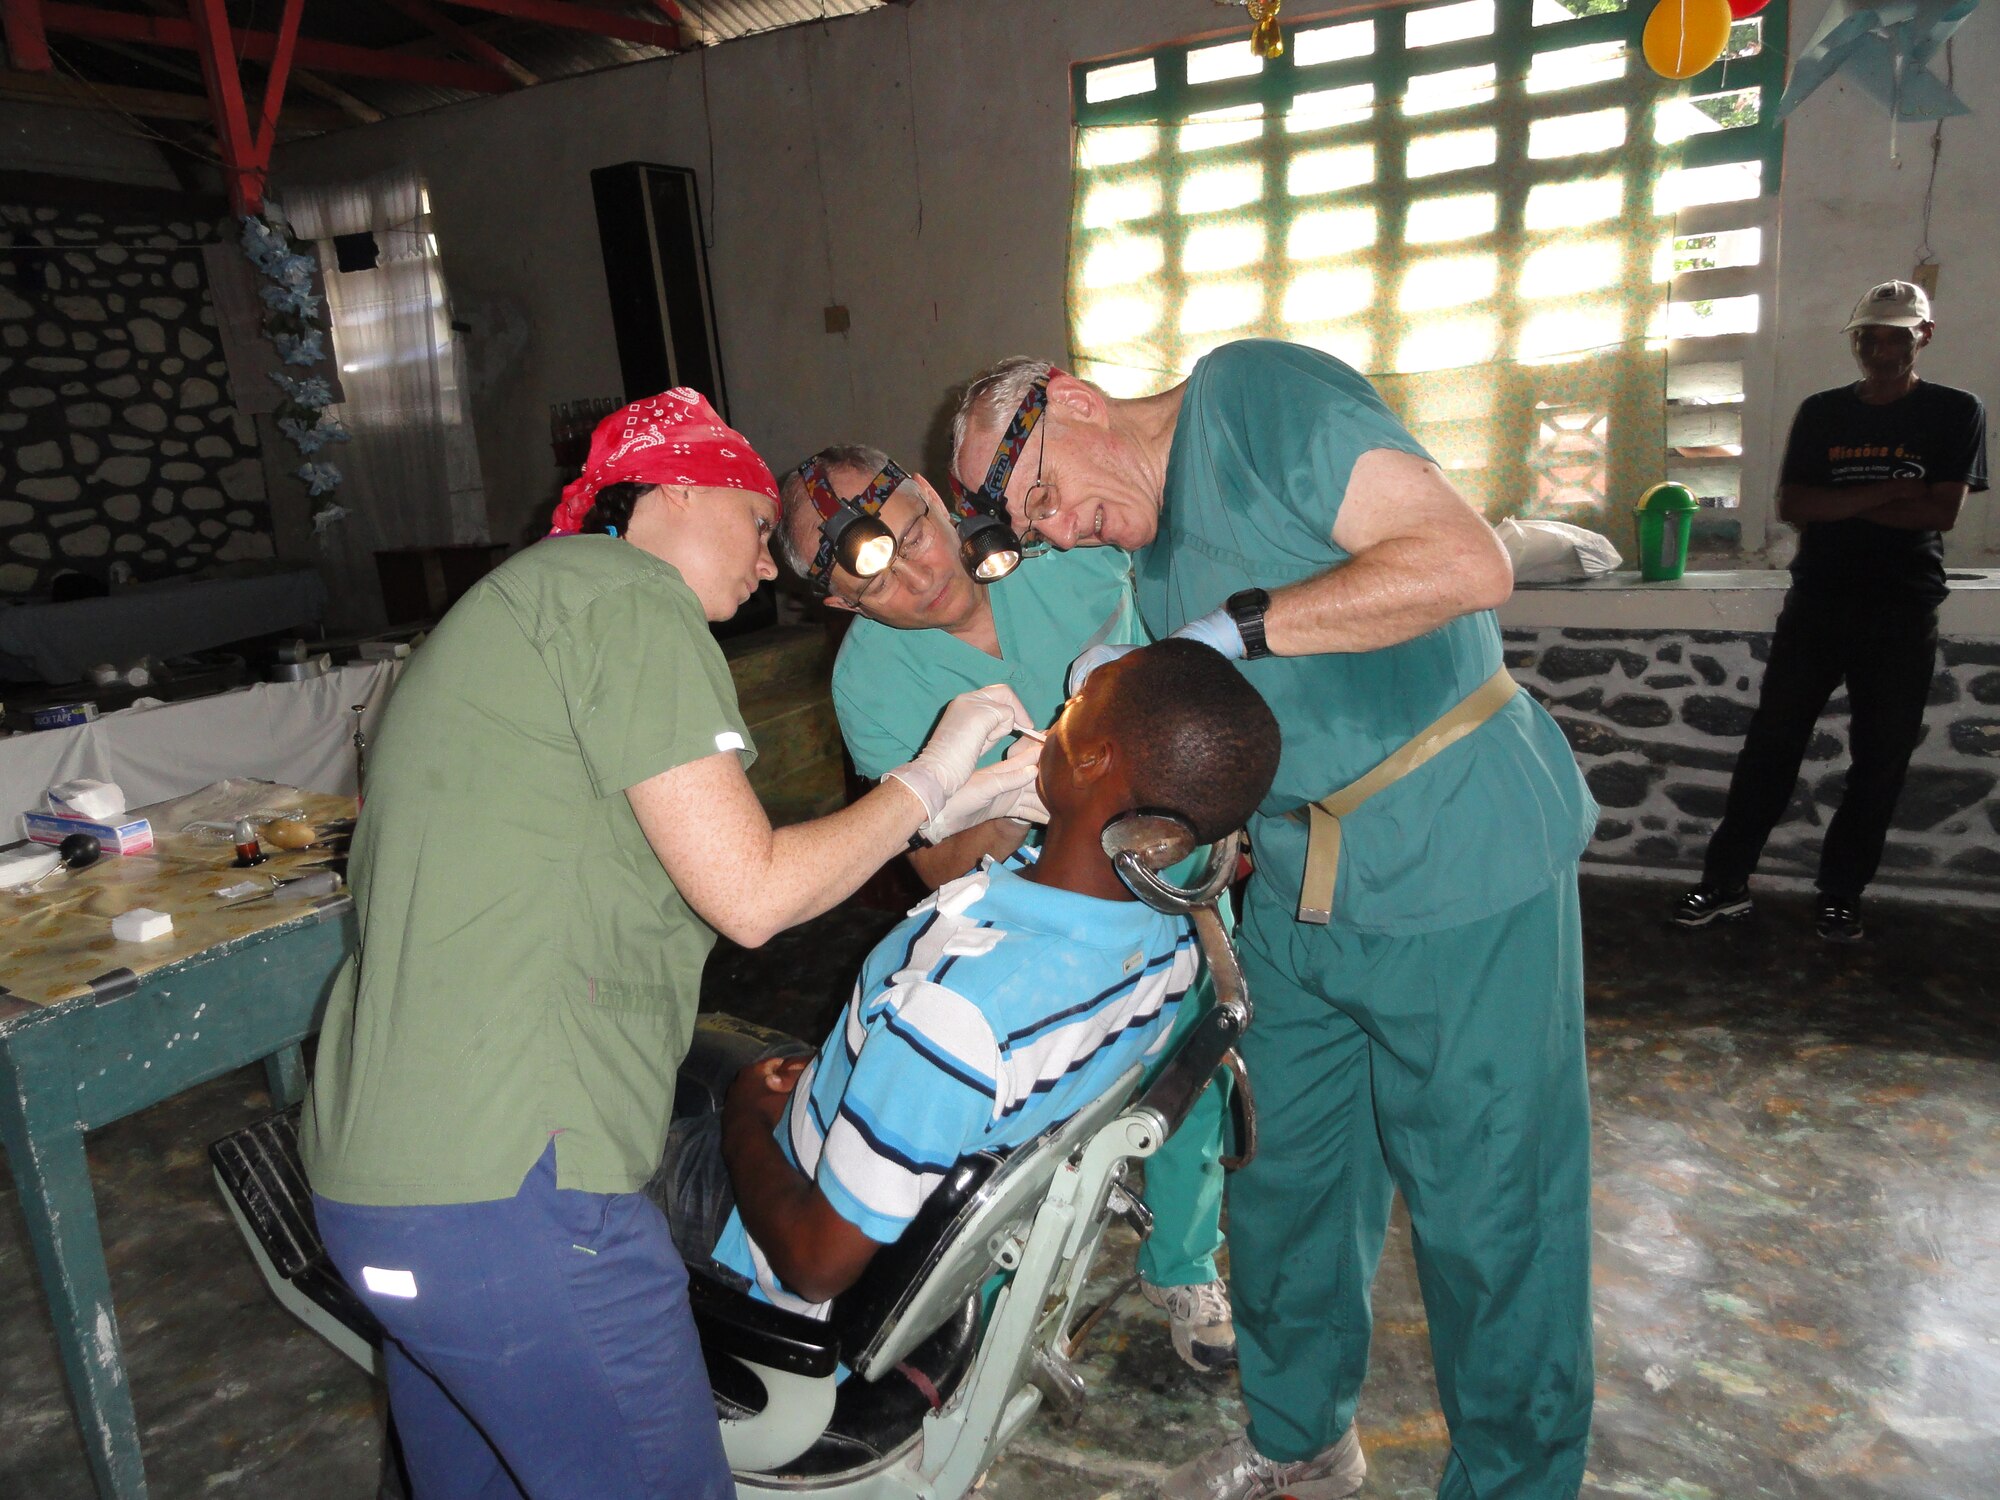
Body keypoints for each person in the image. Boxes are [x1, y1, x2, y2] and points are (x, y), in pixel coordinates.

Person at [300, 390, 1046, 1500]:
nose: (765, 571)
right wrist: (928, 776)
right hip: (516, 1194)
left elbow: (716, 859)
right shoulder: (623, 596)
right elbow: (751, 896)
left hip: (391, 1185)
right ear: (681, 487)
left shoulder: (520, 615)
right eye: (758, 529)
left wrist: (942, 807)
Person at [949, 343, 1599, 1500]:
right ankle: (1301, 1440)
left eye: (1040, 495)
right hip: (1299, 886)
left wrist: (1235, 629)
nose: (1059, 528)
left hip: (1452, 848)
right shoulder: (1146, 556)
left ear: (1074, 401)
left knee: (1491, 1206)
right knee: (1286, 1183)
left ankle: (1516, 1482)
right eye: (1033, 527)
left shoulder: (1254, 400)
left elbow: (1462, 562)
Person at [772, 443, 1240, 1369]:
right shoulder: (868, 680)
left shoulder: (1069, 557)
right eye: (883, 574)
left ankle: (1183, 1260)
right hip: (1031, 935)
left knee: (1187, 1077)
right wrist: (1013, 798)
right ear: (841, 602)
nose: (926, 570)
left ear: (939, 500)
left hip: (1166, 871)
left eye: (920, 530)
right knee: (1013, 1133)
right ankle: (991, 1317)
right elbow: (932, 860)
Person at [648, 639, 1280, 1324]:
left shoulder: (952, 1014)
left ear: (1094, 761)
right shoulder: (1170, 945)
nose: (1057, 712)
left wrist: (745, 1117)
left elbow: (813, 1265)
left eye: (1073, 708)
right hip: (902, 1136)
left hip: (766, 1257)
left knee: (572, 1156)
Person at [1675, 280, 1987, 942]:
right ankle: (1725, 881)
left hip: (1902, 609)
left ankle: (1842, 893)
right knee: (1771, 747)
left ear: (1922, 337)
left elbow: (1941, 512)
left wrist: (1847, 500)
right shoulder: (1822, 412)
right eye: (1868, 336)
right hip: (1818, 602)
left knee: (1880, 760)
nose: (1879, 348)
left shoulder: (1955, 411)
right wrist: (1890, 491)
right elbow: (1796, 507)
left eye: (1895, 335)